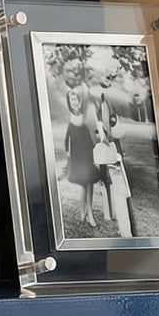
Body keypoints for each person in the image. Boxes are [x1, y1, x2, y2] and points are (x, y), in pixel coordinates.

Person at [63, 83, 98, 225]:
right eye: (71, 100)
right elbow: (67, 139)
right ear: (69, 103)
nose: (74, 102)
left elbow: (91, 132)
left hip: (88, 152)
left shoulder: (84, 114)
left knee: (90, 183)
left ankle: (90, 212)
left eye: (76, 99)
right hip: (78, 155)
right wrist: (68, 155)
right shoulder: (72, 117)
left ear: (79, 100)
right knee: (83, 184)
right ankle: (83, 212)